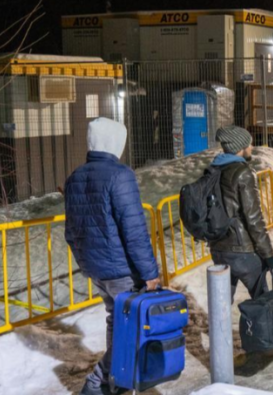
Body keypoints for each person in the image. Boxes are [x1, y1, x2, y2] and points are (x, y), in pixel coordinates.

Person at [64, 118, 160, 395]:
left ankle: (117, 382)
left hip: (96, 268)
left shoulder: (76, 177)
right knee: (129, 332)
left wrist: (85, 261)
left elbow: (71, 230)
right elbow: (134, 230)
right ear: (115, 143)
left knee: (116, 322)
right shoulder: (120, 175)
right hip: (121, 270)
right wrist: (150, 273)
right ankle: (99, 384)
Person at [208, 126, 273, 302]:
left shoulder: (213, 170)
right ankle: (267, 329)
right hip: (242, 251)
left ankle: (219, 330)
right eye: (249, 144)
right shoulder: (242, 173)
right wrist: (267, 254)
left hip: (218, 249)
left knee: (221, 303)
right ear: (241, 147)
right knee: (263, 302)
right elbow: (253, 219)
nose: (251, 147)